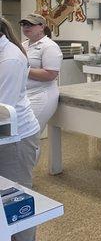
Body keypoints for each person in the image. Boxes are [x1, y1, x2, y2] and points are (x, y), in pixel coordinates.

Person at [0, 15, 40, 241]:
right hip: (5, 132)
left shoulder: (10, 59)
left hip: (16, 137)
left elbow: (2, 110)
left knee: (16, 198)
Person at [19, 13, 63, 131]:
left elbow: (50, 75)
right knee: (22, 134)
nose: (26, 27)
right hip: (25, 95)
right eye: (24, 25)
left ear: (42, 27)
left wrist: (23, 69)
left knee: (29, 133)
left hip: (41, 96)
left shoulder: (49, 46)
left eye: (30, 25)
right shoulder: (23, 45)